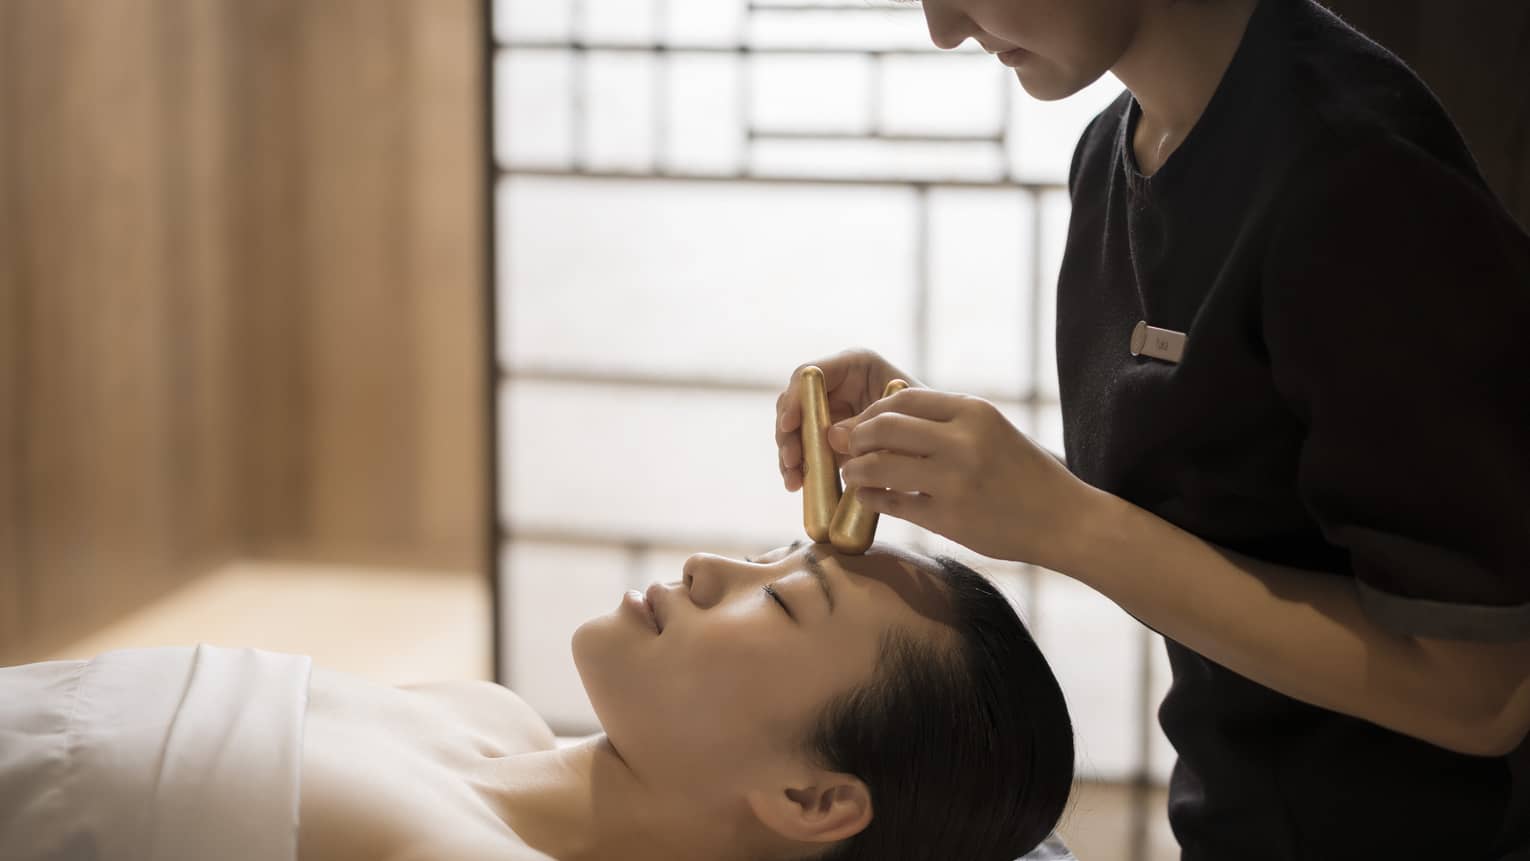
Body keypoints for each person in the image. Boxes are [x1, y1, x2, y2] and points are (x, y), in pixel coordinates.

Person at [774, 0, 1530, 858]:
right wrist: (940, 452)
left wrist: (1060, 521)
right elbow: (1230, 504)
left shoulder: (1358, 174)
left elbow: (1484, 693)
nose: (944, 27)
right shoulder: (1114, 152)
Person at [0, 542, 1075, 861]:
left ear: (811, 798)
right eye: (767, 553)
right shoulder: (489, 717)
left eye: (784, 601)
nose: (709, 567)